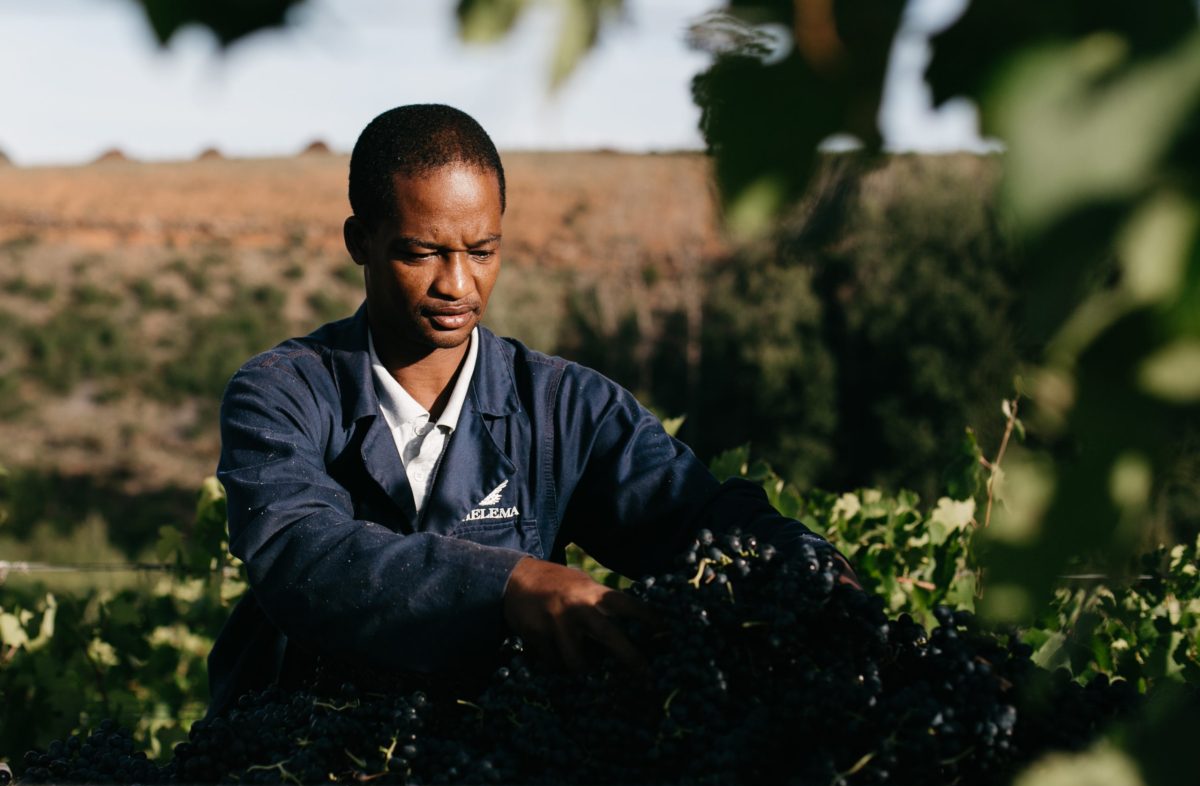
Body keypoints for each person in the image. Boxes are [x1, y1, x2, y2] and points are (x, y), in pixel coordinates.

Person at [207, 104, 855, 715]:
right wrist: (508, 583)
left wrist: (799, 558)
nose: (457, 284)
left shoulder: (566, 407)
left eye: (482, 251)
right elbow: (301, 553)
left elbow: (687, 512)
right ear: (360, 241)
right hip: (309, 749)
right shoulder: (280, 392)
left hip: (495, 749)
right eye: (423, 252)